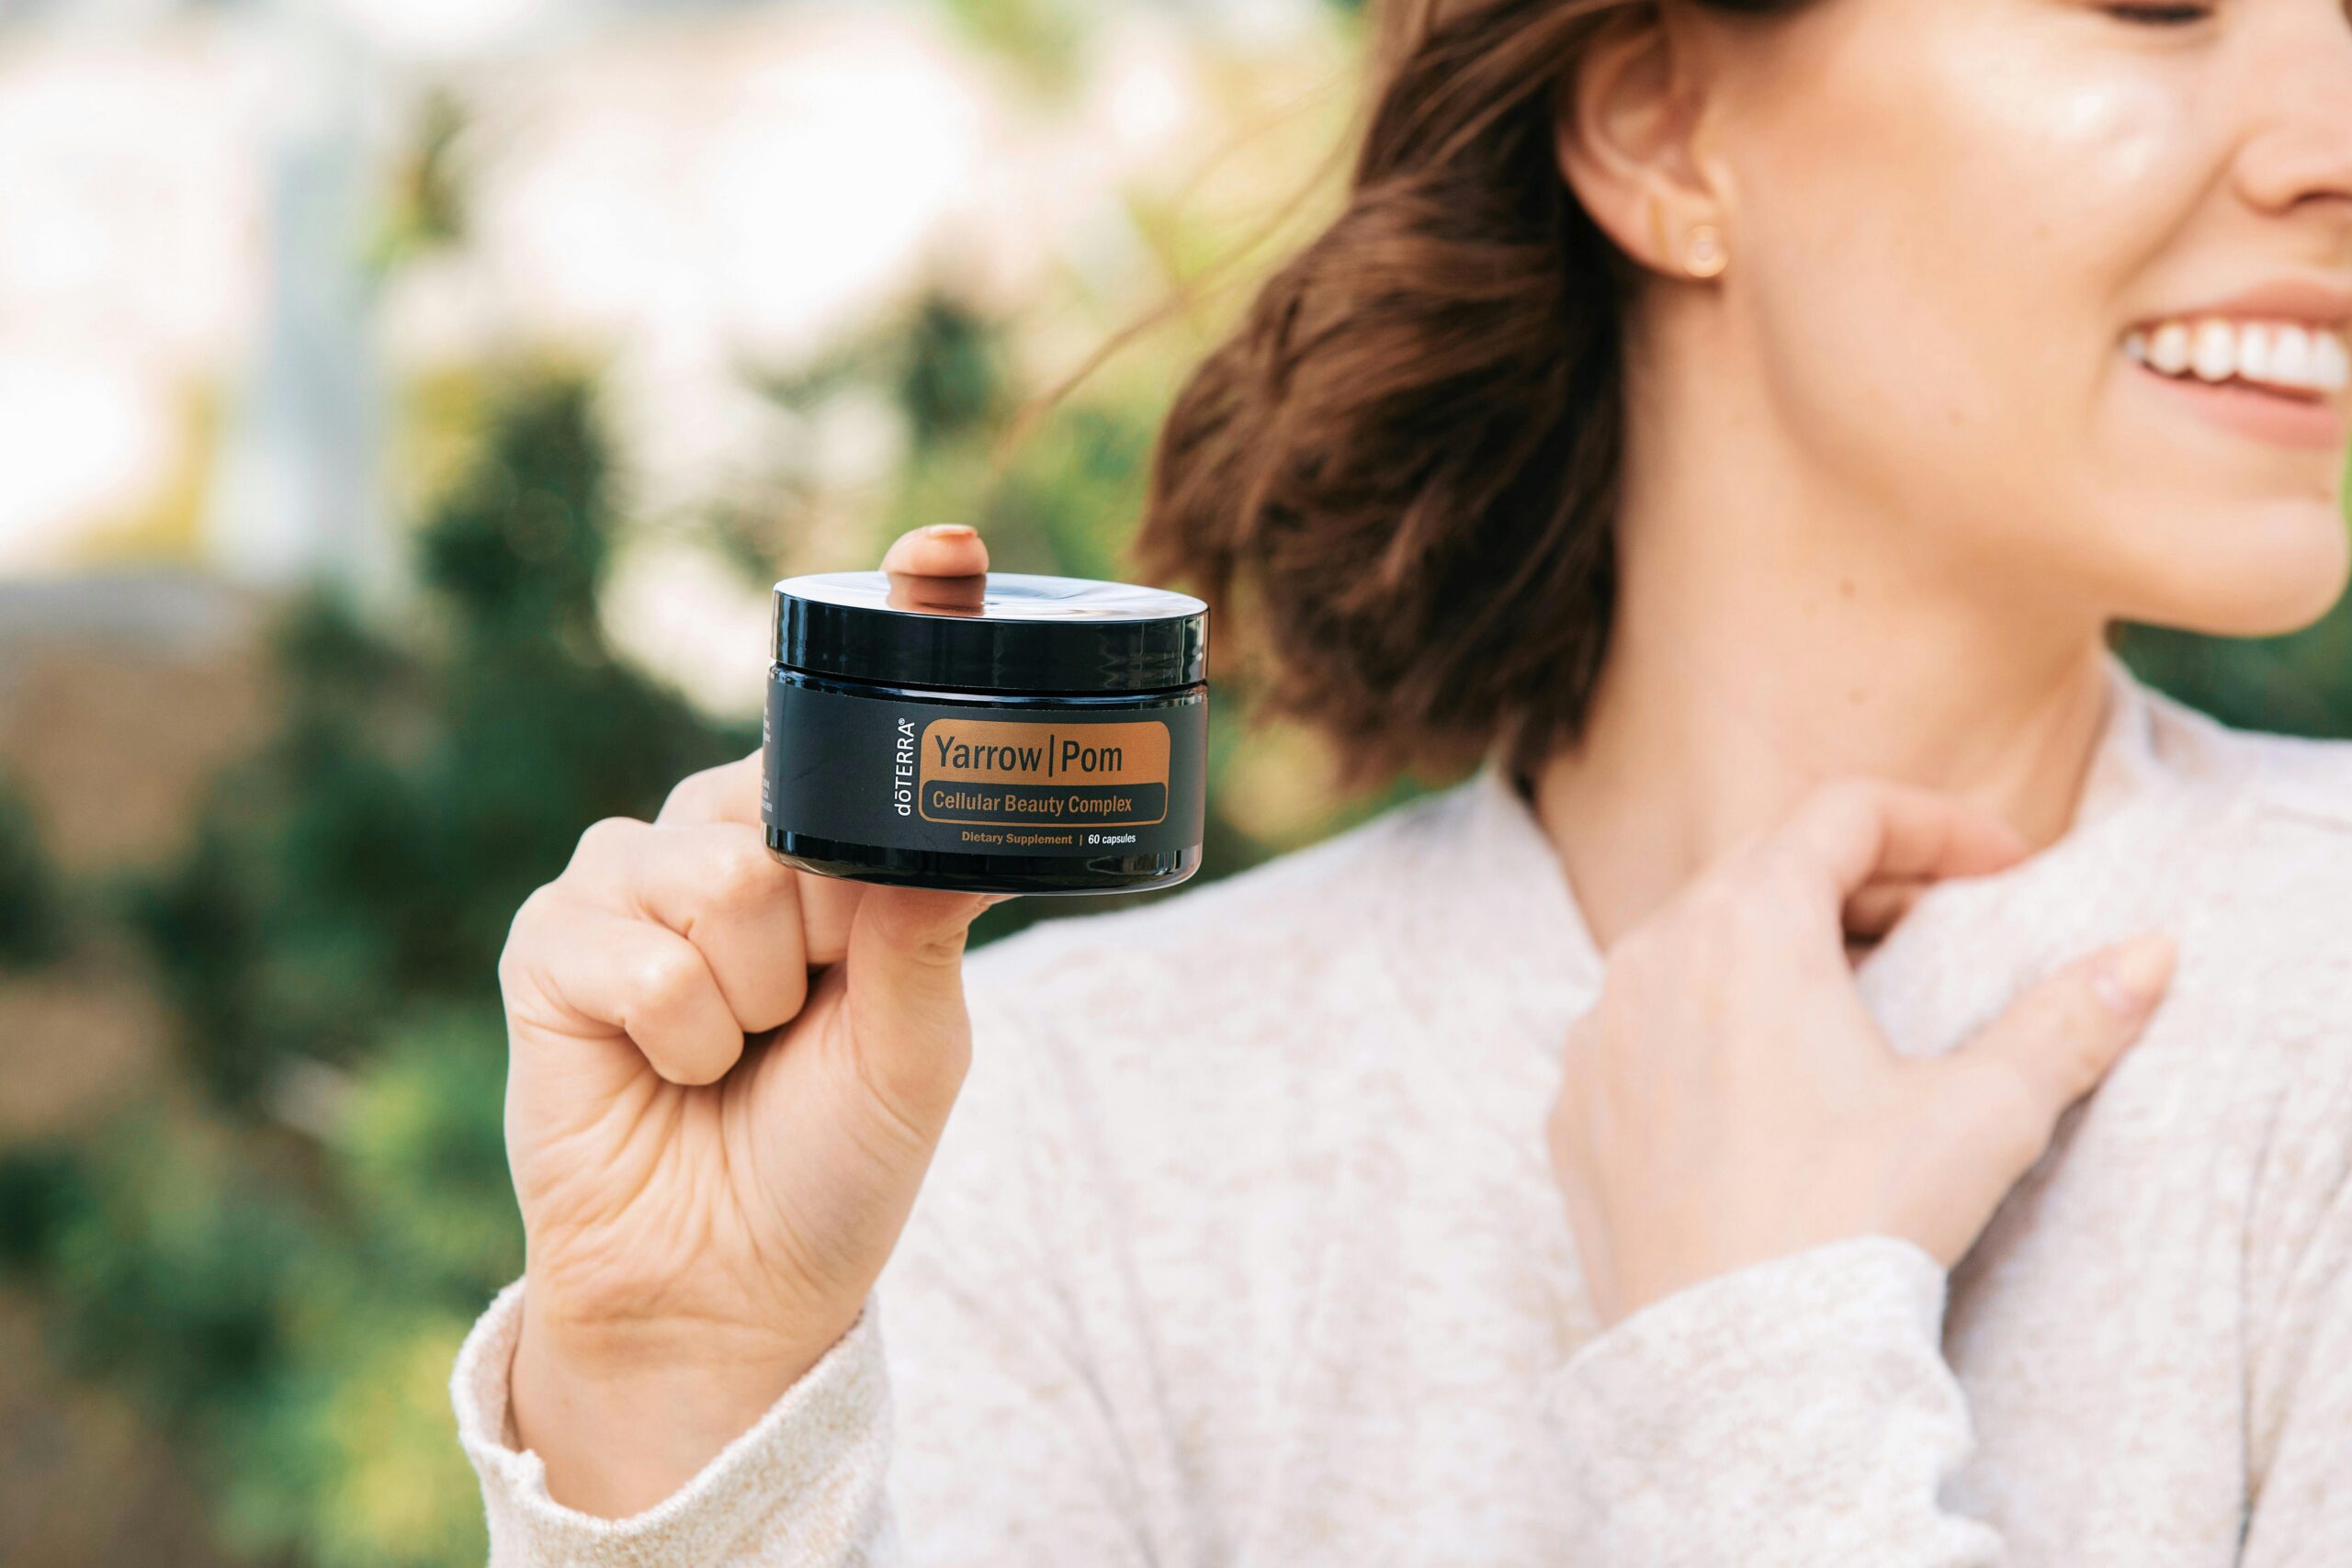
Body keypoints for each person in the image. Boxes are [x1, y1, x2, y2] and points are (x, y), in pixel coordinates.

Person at [451, 0, 2352, 1561]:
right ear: (1656, 125)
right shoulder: (1030, 1130)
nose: (2328, 131)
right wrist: (682, 1407)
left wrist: (1757, 1384)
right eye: (2157, 4)